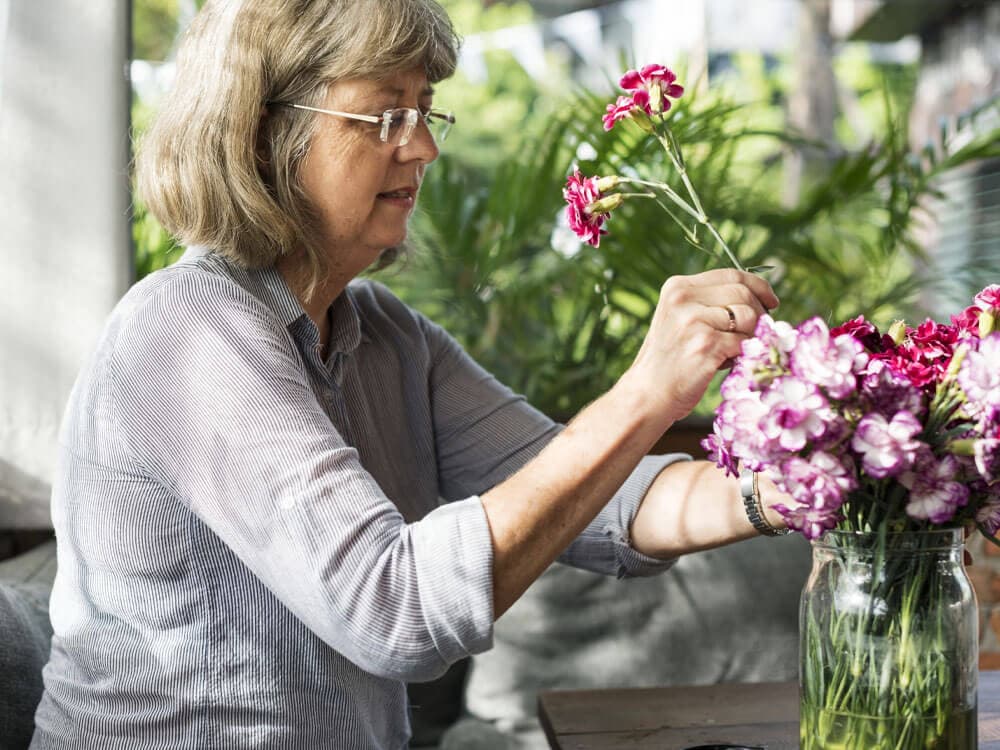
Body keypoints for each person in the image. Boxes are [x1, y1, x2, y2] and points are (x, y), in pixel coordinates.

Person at [31, 0, 786, 747]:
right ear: (265, 133)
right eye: (386, 115)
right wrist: (647, 393)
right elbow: (391, 612)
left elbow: (609, 505)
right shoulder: (186, 329)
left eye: (425, 110)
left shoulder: (387, 338)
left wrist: (800, 482)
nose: (423, 146)